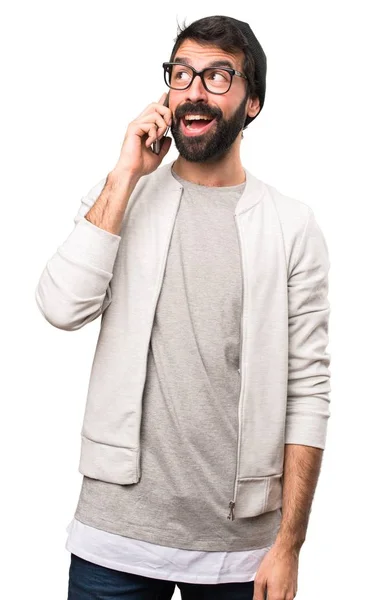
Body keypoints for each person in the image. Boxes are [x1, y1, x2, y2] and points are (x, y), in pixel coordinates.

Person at [35, 15, 331, 600]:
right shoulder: (122, 195)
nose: (194, 90)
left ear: (253, 104)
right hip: (113, 538)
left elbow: (309, 391)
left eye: (219, 76)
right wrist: (124, 174)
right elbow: (60, 306)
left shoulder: (291, 226)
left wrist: (289, 544)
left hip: (240, 552)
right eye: (181, 73)